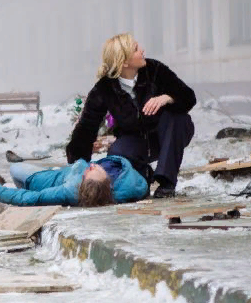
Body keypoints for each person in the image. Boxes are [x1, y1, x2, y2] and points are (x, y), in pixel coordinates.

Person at [66, 33, 196, 198]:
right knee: (117, 154)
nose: (142, 50)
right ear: (124, 61)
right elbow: (87, 127)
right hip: (135, 142)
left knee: (177, 118)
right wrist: (78, 165)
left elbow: (188, 97)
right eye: (136, 49)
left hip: (166, 135)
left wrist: (167, 98)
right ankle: (143, 177)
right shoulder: (104, 88)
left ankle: (167, 182)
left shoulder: (155, 70)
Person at [0, 155, 148, 207]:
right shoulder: (125, 186)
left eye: (89, 171)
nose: (91, 165)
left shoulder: (70, 190)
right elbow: (141, 186)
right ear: (109, 184)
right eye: (95, 169)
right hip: (62, 171)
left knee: (15, 168)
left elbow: (32, 199)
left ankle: (21, 186)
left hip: (43, 180)